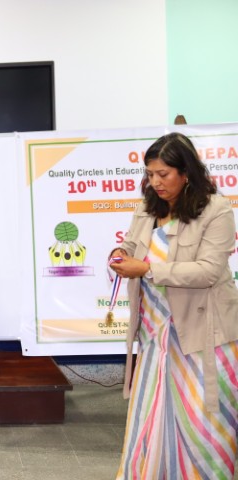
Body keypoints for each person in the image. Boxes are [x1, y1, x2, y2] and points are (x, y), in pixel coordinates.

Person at [108, 132, 238, 479]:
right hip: (155, 335)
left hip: (203, 335)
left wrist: (147, 269)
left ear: (186, 172)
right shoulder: (147, 207)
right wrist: (120, 254)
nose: (155, 182)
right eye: (150, 174)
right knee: (150, 417)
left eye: (163, 174)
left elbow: (209, 271)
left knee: (203, 425)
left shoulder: (216, 209)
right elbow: (131, 245)